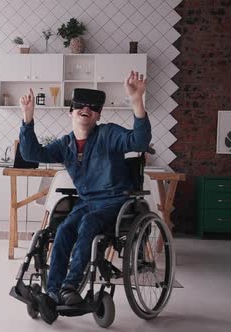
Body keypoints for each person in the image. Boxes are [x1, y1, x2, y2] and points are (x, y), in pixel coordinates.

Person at [19, 71, 151, 324]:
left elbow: (140, 140)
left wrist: (137, 101)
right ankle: (54, 292)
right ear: (71, 112)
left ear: (98, 115)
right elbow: (31, 152)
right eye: (80, 105)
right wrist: (27, 117)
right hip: (88, 202)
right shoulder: (66, 144)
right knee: (64, 228)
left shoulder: (109, 134)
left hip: (116, 201)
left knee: (88, 223)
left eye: (93, 108)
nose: (86, 109)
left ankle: (70, 286)